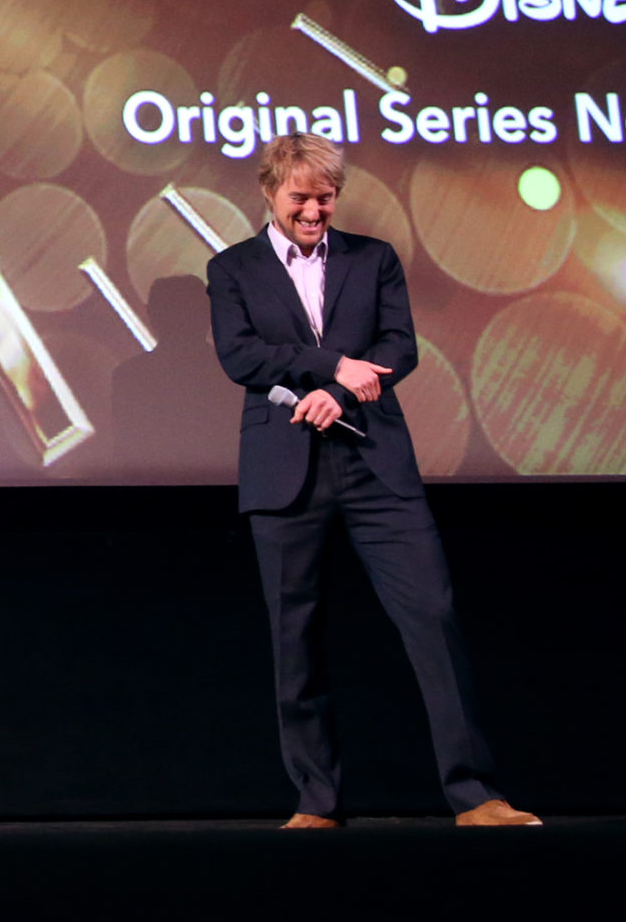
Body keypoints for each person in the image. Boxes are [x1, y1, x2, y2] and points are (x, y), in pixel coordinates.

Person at [205, 133, 536, 829]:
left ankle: (476, 794)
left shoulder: (373, 258)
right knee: (294, 636)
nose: (313, 211)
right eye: (300, 197)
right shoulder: (232, 268)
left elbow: (398, 347)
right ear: (269, 192)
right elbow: (241, 356)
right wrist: (330, 368)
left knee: (433, 617)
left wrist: (342, 394)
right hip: (285, 470)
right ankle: (316, 802)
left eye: (325, 198)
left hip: (375, 465)